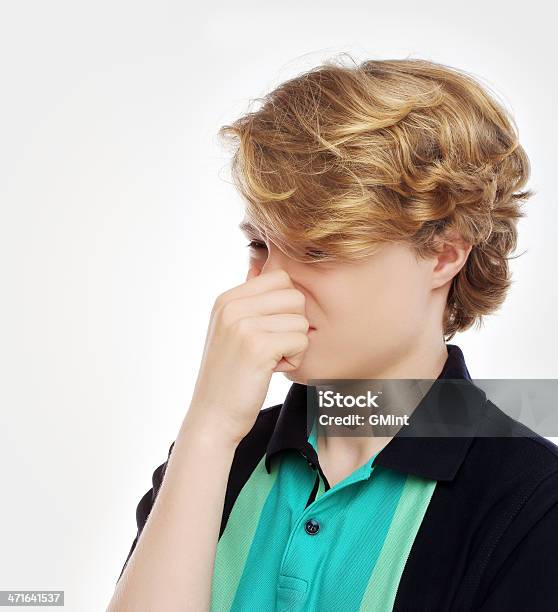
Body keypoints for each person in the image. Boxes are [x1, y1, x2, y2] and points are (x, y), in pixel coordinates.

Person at [107, 57, 558, 611]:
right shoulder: (217, 458)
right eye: (260, 246)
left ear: (443, 255)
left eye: (319, 249)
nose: (270, 285)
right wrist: (209, 428)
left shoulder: (533, 500)